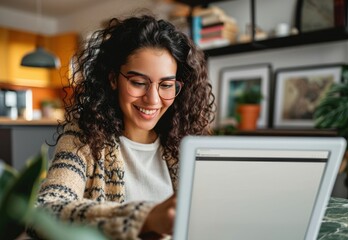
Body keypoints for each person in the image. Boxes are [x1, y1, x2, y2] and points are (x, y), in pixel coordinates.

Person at [29, 12, 215, 240]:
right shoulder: (83, 140)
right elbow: (45, 213)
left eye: (166, 85)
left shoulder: (186, 144)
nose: (153, 100)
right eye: (138, 83)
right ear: (112, 79)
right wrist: (146, 218)